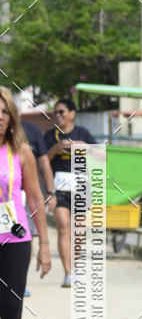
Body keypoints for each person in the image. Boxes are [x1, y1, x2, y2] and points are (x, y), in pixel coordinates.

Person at [0, 88, 52, 319]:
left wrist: (45, 244)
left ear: (11, 118)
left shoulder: (21, 152)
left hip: (15, 238)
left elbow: (34, 198)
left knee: (11, 309)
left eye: (4, 113)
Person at [43, 98, 95, 287]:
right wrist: (55, 149)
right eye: (55, 112)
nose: (58, 115)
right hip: (59, 188)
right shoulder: (49, 136)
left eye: (62, 111)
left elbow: (103, 155)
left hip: (81, 187)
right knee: (63, 227)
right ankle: (68, 273)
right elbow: (41, 162)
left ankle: (75, 266)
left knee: (78, 231)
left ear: (72, 114)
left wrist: (85, 147)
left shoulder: (83, 133)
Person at [22, 119, 56, 296]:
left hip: (26, 195)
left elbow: (43, 163)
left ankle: (20, 280)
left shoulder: (32, 131)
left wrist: (50, 191)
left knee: (25, 239)